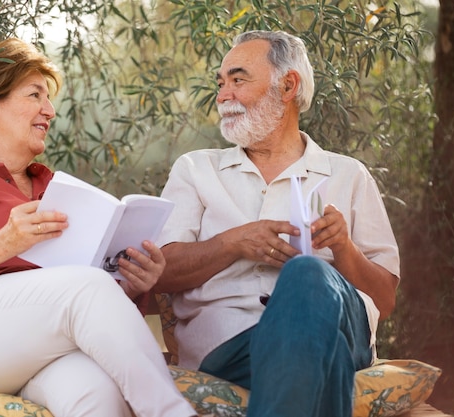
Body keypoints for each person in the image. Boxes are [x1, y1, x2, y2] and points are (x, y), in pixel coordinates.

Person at [0, 38, 197, 417]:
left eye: (48, 99)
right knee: (86, 288)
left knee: (96, 393)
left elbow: (87, 297)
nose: (49, 110)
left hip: (39, 346)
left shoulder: (56, 189)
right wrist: (4, 242)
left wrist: (131, 284)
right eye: (35, 94)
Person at [154, 30, 400, 417]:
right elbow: (161, 271)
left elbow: (384, 301)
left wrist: (344, 249)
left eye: (238, 80)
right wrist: (234, 242)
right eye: (220, 84)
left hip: (342, 324)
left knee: (307, 274)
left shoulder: (349, 175)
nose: (223, 96)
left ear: (287, 86)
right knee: (325, 352)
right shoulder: (196, 170)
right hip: (233, 346)